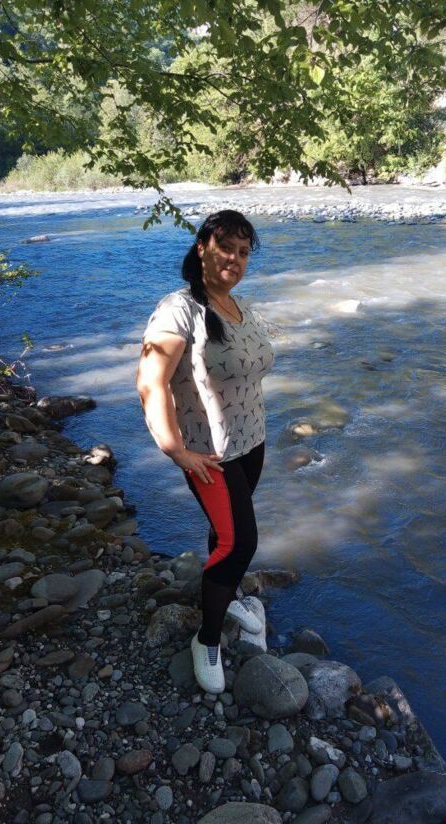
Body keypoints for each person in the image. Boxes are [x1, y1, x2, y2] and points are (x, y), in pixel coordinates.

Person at [136, 209, 275, 694]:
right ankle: (207, 639)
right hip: (208, 453)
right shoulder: (179, 310)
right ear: (202, 248)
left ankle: (227, 593)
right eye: (226, 248)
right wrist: (175, 450)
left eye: (243, 252)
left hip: (251, 441)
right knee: (240, 544)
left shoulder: (242, 306)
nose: (235, 259)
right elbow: (150, 382)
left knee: (225, 533)